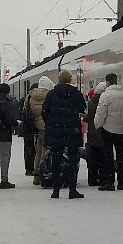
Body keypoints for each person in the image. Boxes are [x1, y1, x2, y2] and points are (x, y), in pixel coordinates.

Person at [42, 68, 88, 199]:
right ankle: (72, 190)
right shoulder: (76, 93)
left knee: (56, 160)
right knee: (73, 161)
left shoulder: (51, 94)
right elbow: (81, 108)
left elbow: (44, 112)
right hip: (72, 132)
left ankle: (55, 190)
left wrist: (51, 123)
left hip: (56, 132)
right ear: (70, 80)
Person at [93, 72, 123, 191]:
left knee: (108, 156)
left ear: (107, 82)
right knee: (120, 155)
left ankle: (110, 182)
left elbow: (101, 113)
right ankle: (121, 182)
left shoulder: (106, 95)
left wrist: (97, 124)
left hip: (108, 129)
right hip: (120, 130)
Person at [0, 83, 23, 189]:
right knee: (4, 157)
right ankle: (4, 180)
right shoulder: (6, 103)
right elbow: (8, 118)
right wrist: (16, 123)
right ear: (7, 91)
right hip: (4, 133)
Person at [27, 76, 53, 185]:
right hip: (48, 125)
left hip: (37, 127)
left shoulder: (31, 96)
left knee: (38, 150)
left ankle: (36, 174)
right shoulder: (50, 95)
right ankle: (45, 172)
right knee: (47, 150)